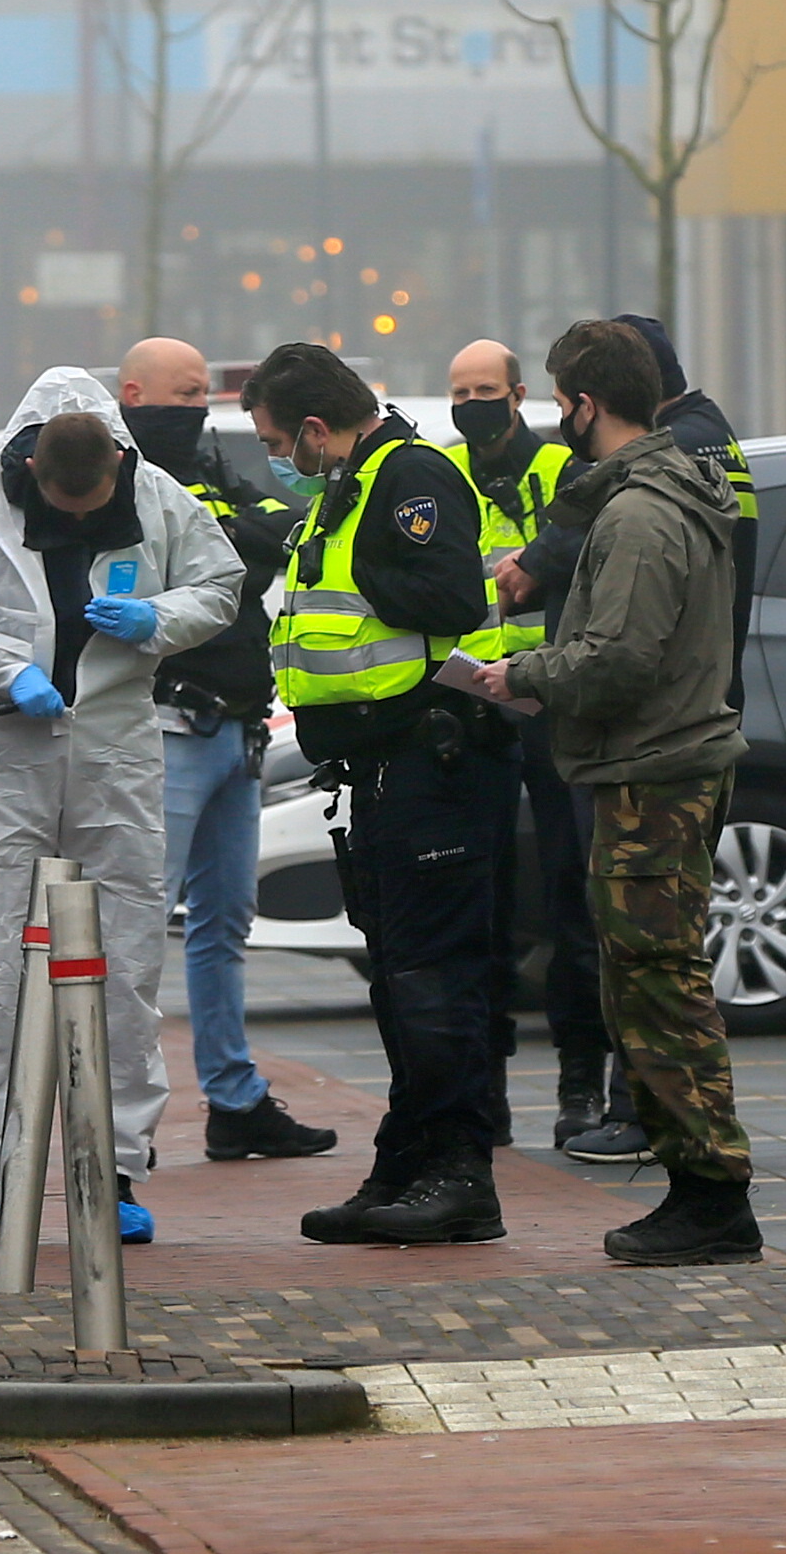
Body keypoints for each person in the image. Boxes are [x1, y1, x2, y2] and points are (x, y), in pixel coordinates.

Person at [0, 368, 243, 1248]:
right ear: (35, 476)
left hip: (115, 752)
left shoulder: (158, 496)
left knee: (125, 963)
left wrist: (157, 618)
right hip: (2, 754)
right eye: (65, 505)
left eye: (95, 506)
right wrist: (4, 667)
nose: (82, 518)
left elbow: (221, 586)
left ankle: (118, 1168)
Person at [478, 319, 760, 1266]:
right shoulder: (666, 491)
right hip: (660, 761)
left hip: (655, 767)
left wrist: (525, 675)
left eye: (560, 400)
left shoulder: (640, 512)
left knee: (659, 983)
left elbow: (622, 657)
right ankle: (699, 1188)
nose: (556, 416)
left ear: (586, 405)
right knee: (645, 977)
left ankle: (712, 1196)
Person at [244, 343, 506, 1245]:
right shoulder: (351, 490)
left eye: (283, 444)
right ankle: (406, 1161)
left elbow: (446, 598)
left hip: (433, 764)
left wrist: (357, 568)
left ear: (318, 428)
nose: (282, 461)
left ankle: (460, 1175)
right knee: (401, 982)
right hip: (383, 772)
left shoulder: (409, 475)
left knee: (436, 981)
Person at [115, 337, 336, 1163]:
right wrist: (230, 530)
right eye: (182, 394)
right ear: (134, 394)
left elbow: (283, 529)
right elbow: (168, 557)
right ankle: (120, 1115)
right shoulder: (118, 475)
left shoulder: (204, 461)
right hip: (171, 726)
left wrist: (223, 524)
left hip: (237, 728)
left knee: (223, 926)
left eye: (204, 393)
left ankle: (234, 1098)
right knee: (138, 926)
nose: (195, 409)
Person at [443, 340, 609, 1150]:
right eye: (460, 391)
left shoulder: (558, 469)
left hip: (549, 700)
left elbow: (589, 552)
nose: (474, 404)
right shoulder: (439, 475)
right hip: (470, 704)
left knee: (571, 899)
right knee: (484, 905)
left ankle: (581, 1081)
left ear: (516, 394)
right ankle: (490, 1086)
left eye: (487, 389)